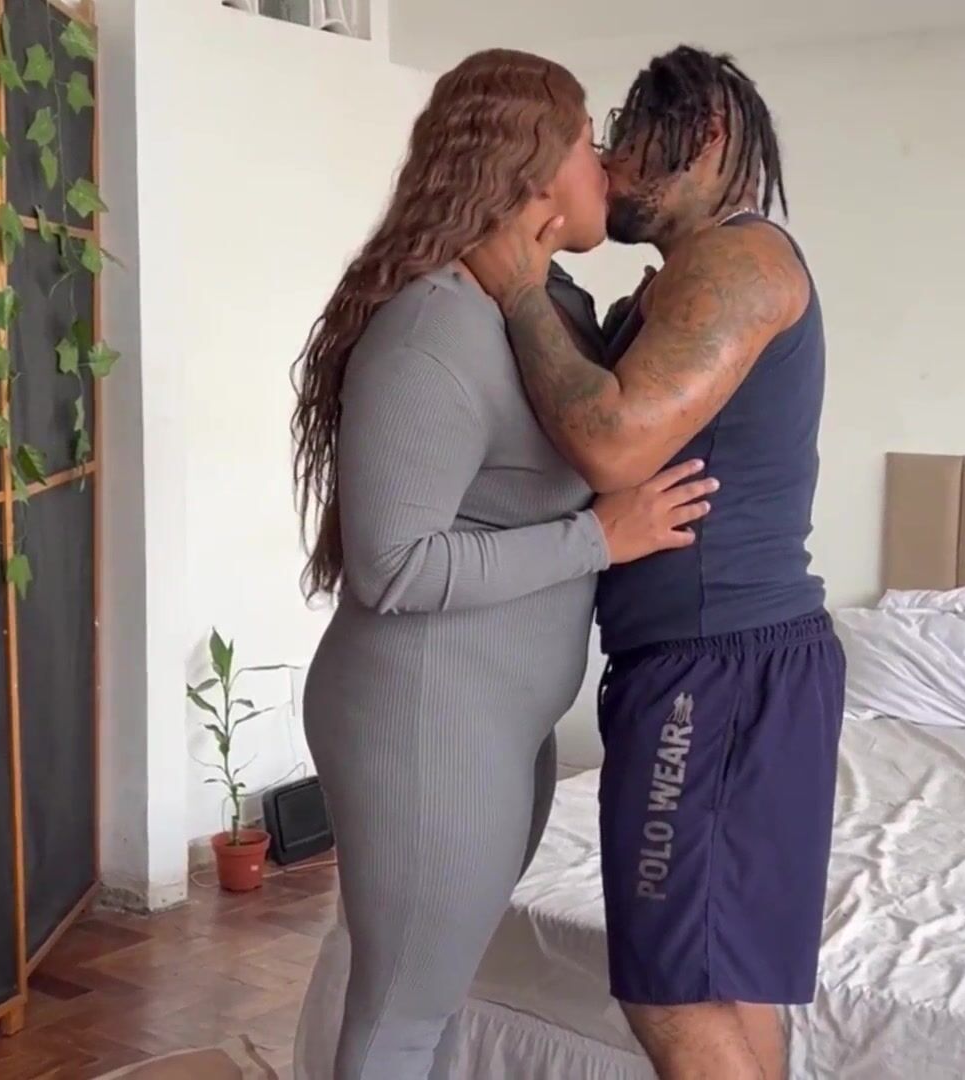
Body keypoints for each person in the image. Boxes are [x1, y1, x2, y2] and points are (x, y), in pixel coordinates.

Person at [288, 49, 719, 1080]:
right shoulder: (434, 328)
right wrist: (598, 539)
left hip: (495, 718)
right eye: (587, 141)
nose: (605, 162)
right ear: (532, 171)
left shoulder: (539, 310)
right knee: (401, 1011)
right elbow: (392, 567)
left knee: (438, 1001)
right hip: (423, 715)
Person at [465, 45, 840, 1080]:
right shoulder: (700, 273)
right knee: (723, 982)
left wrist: (519, 291)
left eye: (630, 136)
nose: (611, 161)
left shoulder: (738, 264)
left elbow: (615, 444)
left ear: (706, 138)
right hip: (729, 662)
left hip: (713, 668)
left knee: (672, 994)